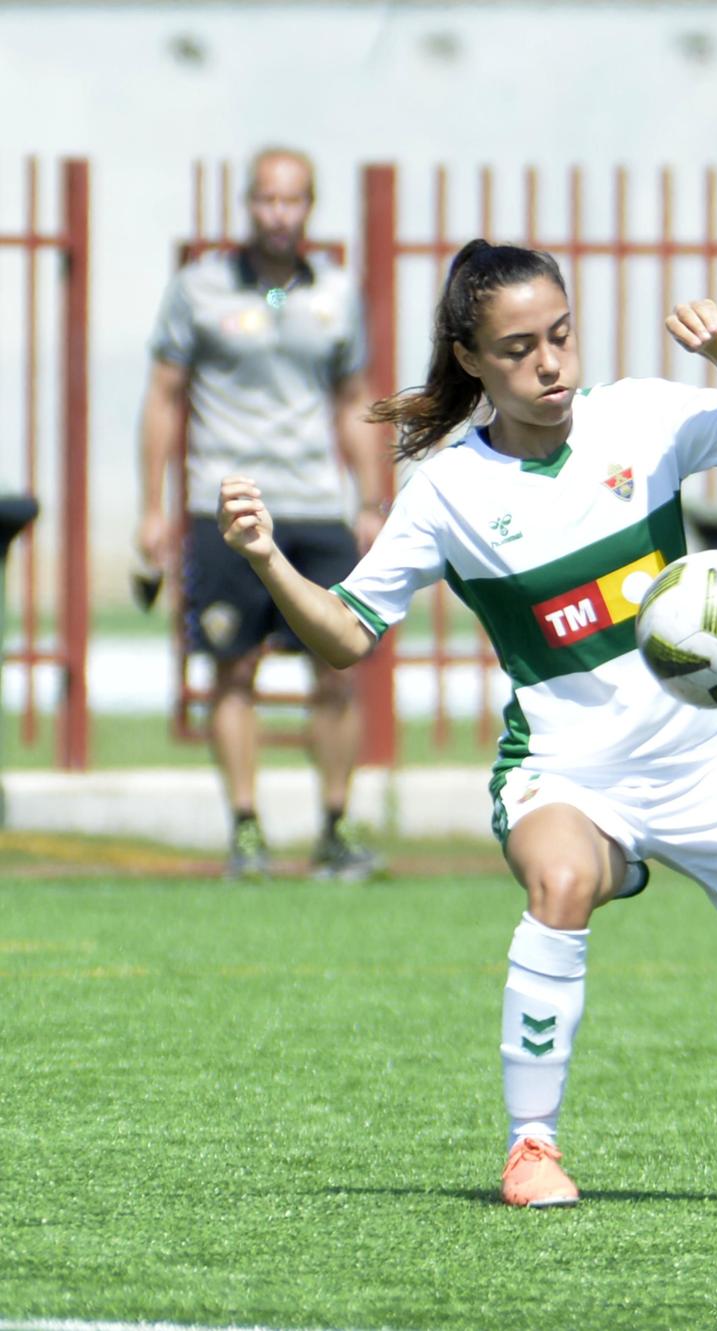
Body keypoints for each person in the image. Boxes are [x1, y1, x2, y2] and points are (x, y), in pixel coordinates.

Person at [215, 240, 717, 1211]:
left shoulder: (642, 421)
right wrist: (270, 558)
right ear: (472, 358)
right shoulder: (447, 492)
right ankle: (532, 1149)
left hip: (700, 769)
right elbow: (345, 637)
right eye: (519, 347)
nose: (550, 364)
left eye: (560, 335)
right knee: (561, 878)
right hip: (564, 772)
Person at [139, 146, 382, 881]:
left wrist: (371, 500)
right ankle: (246, 830)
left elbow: (353, 402)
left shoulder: (337, 293)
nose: (279, 215)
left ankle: (334, 829)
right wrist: (154, 507)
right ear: (249, 205)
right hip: (231, 506)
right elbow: (162, 397)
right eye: (267, 201)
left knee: (339, 665)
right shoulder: (199, 288)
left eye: (293, 201)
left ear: (310, 207)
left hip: (315, 506)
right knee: (233, 669)